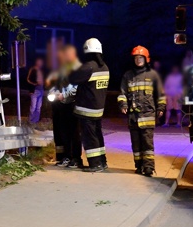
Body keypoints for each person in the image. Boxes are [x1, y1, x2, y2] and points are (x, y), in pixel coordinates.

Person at [118, 45, 165, 176]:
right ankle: (139, 166)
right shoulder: (128, 75)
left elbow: (160, 94)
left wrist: (161, 108)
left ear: (146, 59)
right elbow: (122, 93)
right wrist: (123, 105)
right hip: (133, 116)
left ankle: (149, 168)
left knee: (147, 144)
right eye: (136, 58)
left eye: (141, 58)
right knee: (136, 145)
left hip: (148, 115)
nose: (138, 60)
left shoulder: (153, 75)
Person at [69, 38, 110, 172]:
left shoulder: (88, 67)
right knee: (98, 135)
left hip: (86, 109)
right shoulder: (104, 67)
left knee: (89, 137)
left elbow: (72, 78)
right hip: (98, 109)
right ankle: (102, 162)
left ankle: (95, 164)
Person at [46, 44, 82, 168]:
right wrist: (52, 92)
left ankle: (76, 158)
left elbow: (76, 88)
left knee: (74, 134)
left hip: (72, 105)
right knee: (63, 133)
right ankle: (66, 157)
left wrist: (64, 95)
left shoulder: (76, 70)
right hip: (61, 106)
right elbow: (56, 85)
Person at [26, 57, 45, 124]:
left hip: (41, 90)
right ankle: (31, 120)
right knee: (33, 106)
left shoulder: (41, 70)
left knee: (38, 107)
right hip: (35, 90)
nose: (40, 63)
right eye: (39, 62)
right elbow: (28, 79)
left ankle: (36, 120)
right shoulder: (33, 69)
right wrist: (34, 84)